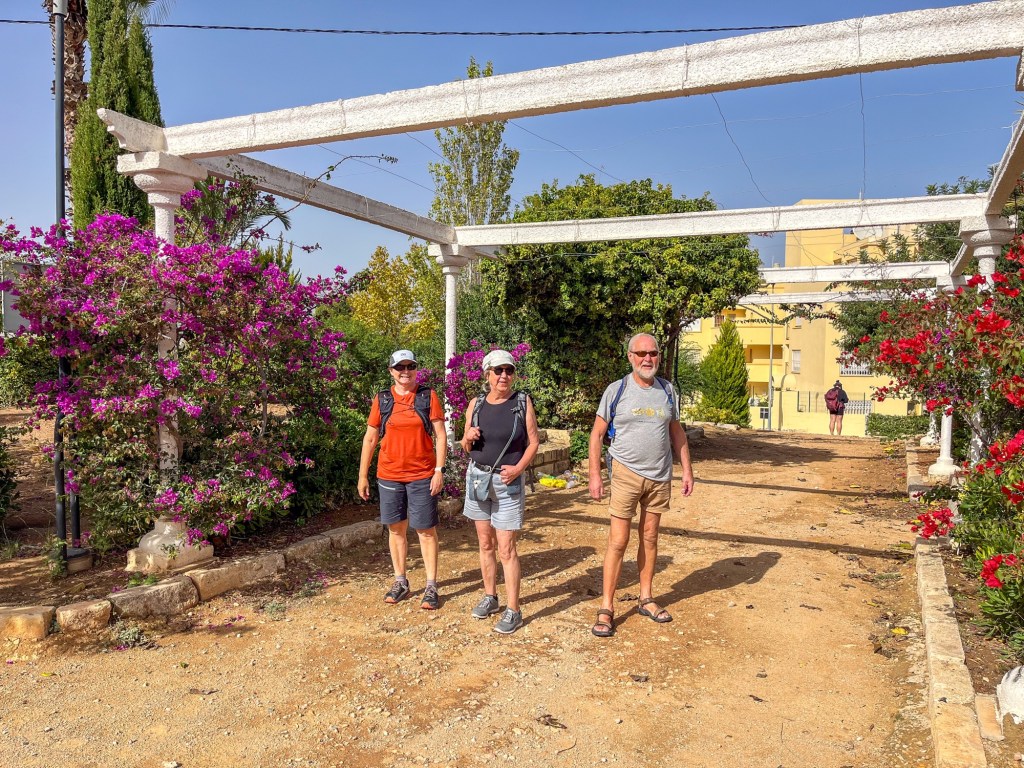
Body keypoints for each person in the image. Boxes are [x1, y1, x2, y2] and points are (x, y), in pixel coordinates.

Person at [588, 333, 694, 638]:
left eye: (653, 353)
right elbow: (597, 434)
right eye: (641, 353)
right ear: (630, 357)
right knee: (618, 541)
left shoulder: (667, 390)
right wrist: (595, 474)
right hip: (625, 473)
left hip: (660, 475)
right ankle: (607, 607)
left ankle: (646, 598)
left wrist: (687, 470)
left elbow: (676, 432)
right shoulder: (617, 390)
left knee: (650, 537)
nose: (648, 359)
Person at [358, 350, 447, 610]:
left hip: (422, 475)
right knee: (396, 529)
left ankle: (431, 586)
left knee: (425, 530)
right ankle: (401, 582)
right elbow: (370, 438)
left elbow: (441, 435)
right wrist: (362, 475)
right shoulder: (383, 399)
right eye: (400, 367)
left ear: (416, 369)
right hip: (390, 475)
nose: (405, 371)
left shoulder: (427, 396)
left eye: (410, 366)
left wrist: (439, 470)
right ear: (391, 371)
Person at [460, 350, 541, 634]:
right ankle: (490, 597)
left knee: (506, 548)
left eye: (509, 370)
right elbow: (466, 445)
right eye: (498, 371)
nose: (504, 376)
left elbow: (534, 442)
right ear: (487, 375)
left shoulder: (521, 402)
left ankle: (514, 610)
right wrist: (467, 437)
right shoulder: (476, 404)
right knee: (485, 544)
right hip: (478, 479)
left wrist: (518, 469)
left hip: (508, 484)